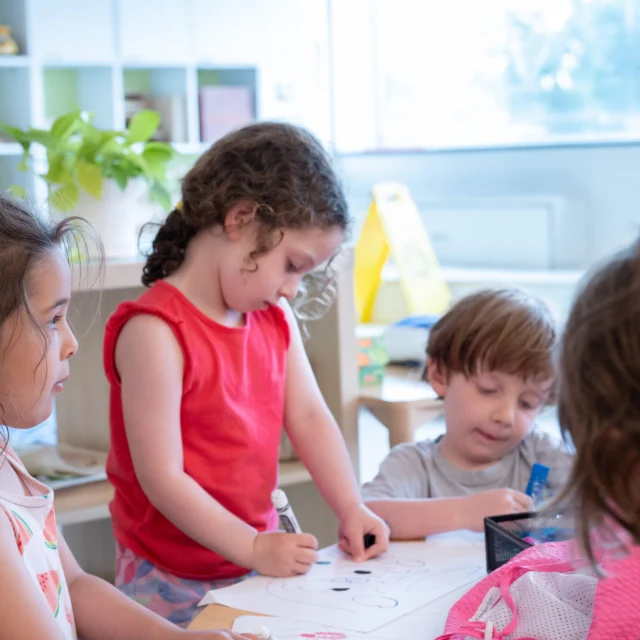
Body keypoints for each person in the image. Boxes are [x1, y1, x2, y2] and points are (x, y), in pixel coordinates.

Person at [104, 122, 389, 626]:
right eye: (293, 265)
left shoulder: (274, 320)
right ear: (239, 219)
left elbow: (309, 417)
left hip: (251, 564)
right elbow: (162, 479)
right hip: (166, 577)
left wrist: (351, 507)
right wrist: (254, 547)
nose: (294, 290)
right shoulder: (155, 331)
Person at [0, 194, 255, 640]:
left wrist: (175, 638)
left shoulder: (6, 458)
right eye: (53, 318)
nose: (72, 341)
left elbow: (75, 586)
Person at [362, 288, 573, 538]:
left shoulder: (540, 453)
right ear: (439, 375)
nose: (506, 416)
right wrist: (463, 513)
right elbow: (365, 519)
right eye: (488, 390)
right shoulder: (412, 465)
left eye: (526, 403)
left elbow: (609, 499)